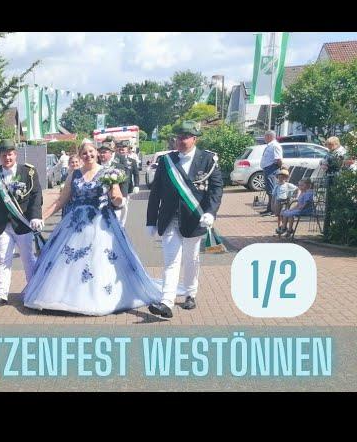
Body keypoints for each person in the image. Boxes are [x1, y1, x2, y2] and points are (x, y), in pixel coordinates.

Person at [22, 140, 183, 316]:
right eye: (84, 153)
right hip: (75, 223)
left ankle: (98, 297)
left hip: (101, 222)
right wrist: (41, 217)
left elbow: (116, 197)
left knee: (100, 260)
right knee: (68, 260)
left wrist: (119, 200)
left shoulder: (107, 173)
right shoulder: (74, 175)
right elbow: (62, 200)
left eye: (91, 152)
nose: (88, 155)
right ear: (80, 155)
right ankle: (68, 296)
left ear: (97, 153)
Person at [145, 121, 223, 319]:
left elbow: (216, 189)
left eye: (185, 137)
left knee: (191, 260)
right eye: (178, 137)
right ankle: (166, 302)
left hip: (194, 218)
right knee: (171, 261)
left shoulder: (208, 159)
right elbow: (156, 193)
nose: (180, 140)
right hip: (169, 218)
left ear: (194, 139)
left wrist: (211, 212)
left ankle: (190, 293)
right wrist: (151, 220)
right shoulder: (166, 160)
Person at [0, 139, 43, 309]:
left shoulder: (28, 172)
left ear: (15, 154)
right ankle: (2, 295)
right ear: (0, 157)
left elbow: (36, 195)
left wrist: (36, 216)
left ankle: (33, 290)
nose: (7, 158)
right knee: (4, 259)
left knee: (27, 258)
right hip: (3, 225)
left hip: (23, 224)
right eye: (4, 155)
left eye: (10, 154)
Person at [97, 137, 130, 227]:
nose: (102, 155)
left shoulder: (119, 167)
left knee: (114, 228)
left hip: (115, 204)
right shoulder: (96, 167)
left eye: (104, 152)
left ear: (111, 154)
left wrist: (123, 197)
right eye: (100, 152)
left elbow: (124, 182)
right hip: (99, 205)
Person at [259, 131, 283, 216]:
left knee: (272, 190)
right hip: (267, 169)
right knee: (269, 190)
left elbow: (278, 159)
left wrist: (280, 169)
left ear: (269, 136)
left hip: (272, 169)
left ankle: (273, 210)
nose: (264, 138)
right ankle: (269, 209)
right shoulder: (270, 146)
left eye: (265, 136)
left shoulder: (275, 146)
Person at [272, 168, 299, 236]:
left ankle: (283, 227)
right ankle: (280, 227)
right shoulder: (277, 186)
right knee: (278, 215)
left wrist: (295, 195)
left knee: (283, 213)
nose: (281, 179)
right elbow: (274, 195)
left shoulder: (288, 185)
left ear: (286, 178)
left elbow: (297, 188)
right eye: (280, 177)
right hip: (278, 201)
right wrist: (272, 203)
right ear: (278, 178)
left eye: (283, 177)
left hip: (285, 201)